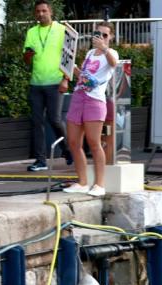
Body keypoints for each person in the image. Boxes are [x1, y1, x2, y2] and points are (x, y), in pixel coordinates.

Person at [62, 22, 118, 197]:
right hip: (79, 96)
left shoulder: (111, 53)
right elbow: (84, 78)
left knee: (94, 142)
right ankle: (82, 182)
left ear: (111, 37)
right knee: (73, 141)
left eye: (105, 35)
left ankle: (99, 184)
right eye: (97, 34)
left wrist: (104, 48)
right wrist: (72, 68)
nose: (100, 38)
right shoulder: (89, 53)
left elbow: (114, 63)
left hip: (95, 100)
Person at [24, 0, 69, 172]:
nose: (41, 14)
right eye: (38, 11)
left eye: (44, 10)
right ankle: (40, 160)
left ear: (51, 12)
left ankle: (67, 150)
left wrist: (66, 79)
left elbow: (69, 57)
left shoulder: (61, 29)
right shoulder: (31, 32)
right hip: (36, 83)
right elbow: (26, 60)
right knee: (36, 122)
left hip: (55, 82)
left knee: (55, 119)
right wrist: (28, 55)